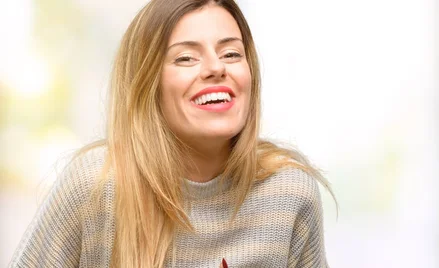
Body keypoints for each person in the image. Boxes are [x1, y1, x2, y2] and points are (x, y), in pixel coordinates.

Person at [9, 0, 334, 267]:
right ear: (148, 85)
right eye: (186, 57)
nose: (216, 67)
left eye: (231, 54)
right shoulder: (95, 186)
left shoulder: (290, 192)